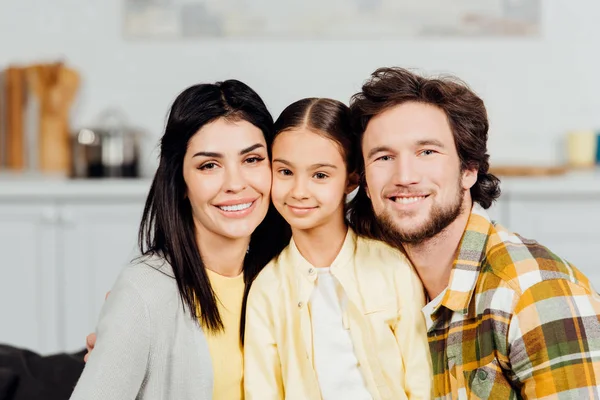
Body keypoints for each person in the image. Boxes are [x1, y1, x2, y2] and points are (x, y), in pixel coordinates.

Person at [348, 67, 600, 399]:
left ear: (469, 170)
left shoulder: (535, 293)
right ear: (365, 183)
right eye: (383, 156)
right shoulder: (366, 284)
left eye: (427, 152)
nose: (404, 175)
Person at [70, 80, 290, 400]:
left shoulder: (287, 276)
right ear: (181, 182)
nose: (235, 183)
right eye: (209, 165)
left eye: (252, 159)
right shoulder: (145, 292)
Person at [244, 98, 432, 400]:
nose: (299, 191)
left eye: (320, 175)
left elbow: (421, 382)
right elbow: (261, 392)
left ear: (352, 180)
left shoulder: (392, 268)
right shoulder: (267, 290)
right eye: (285, 172)